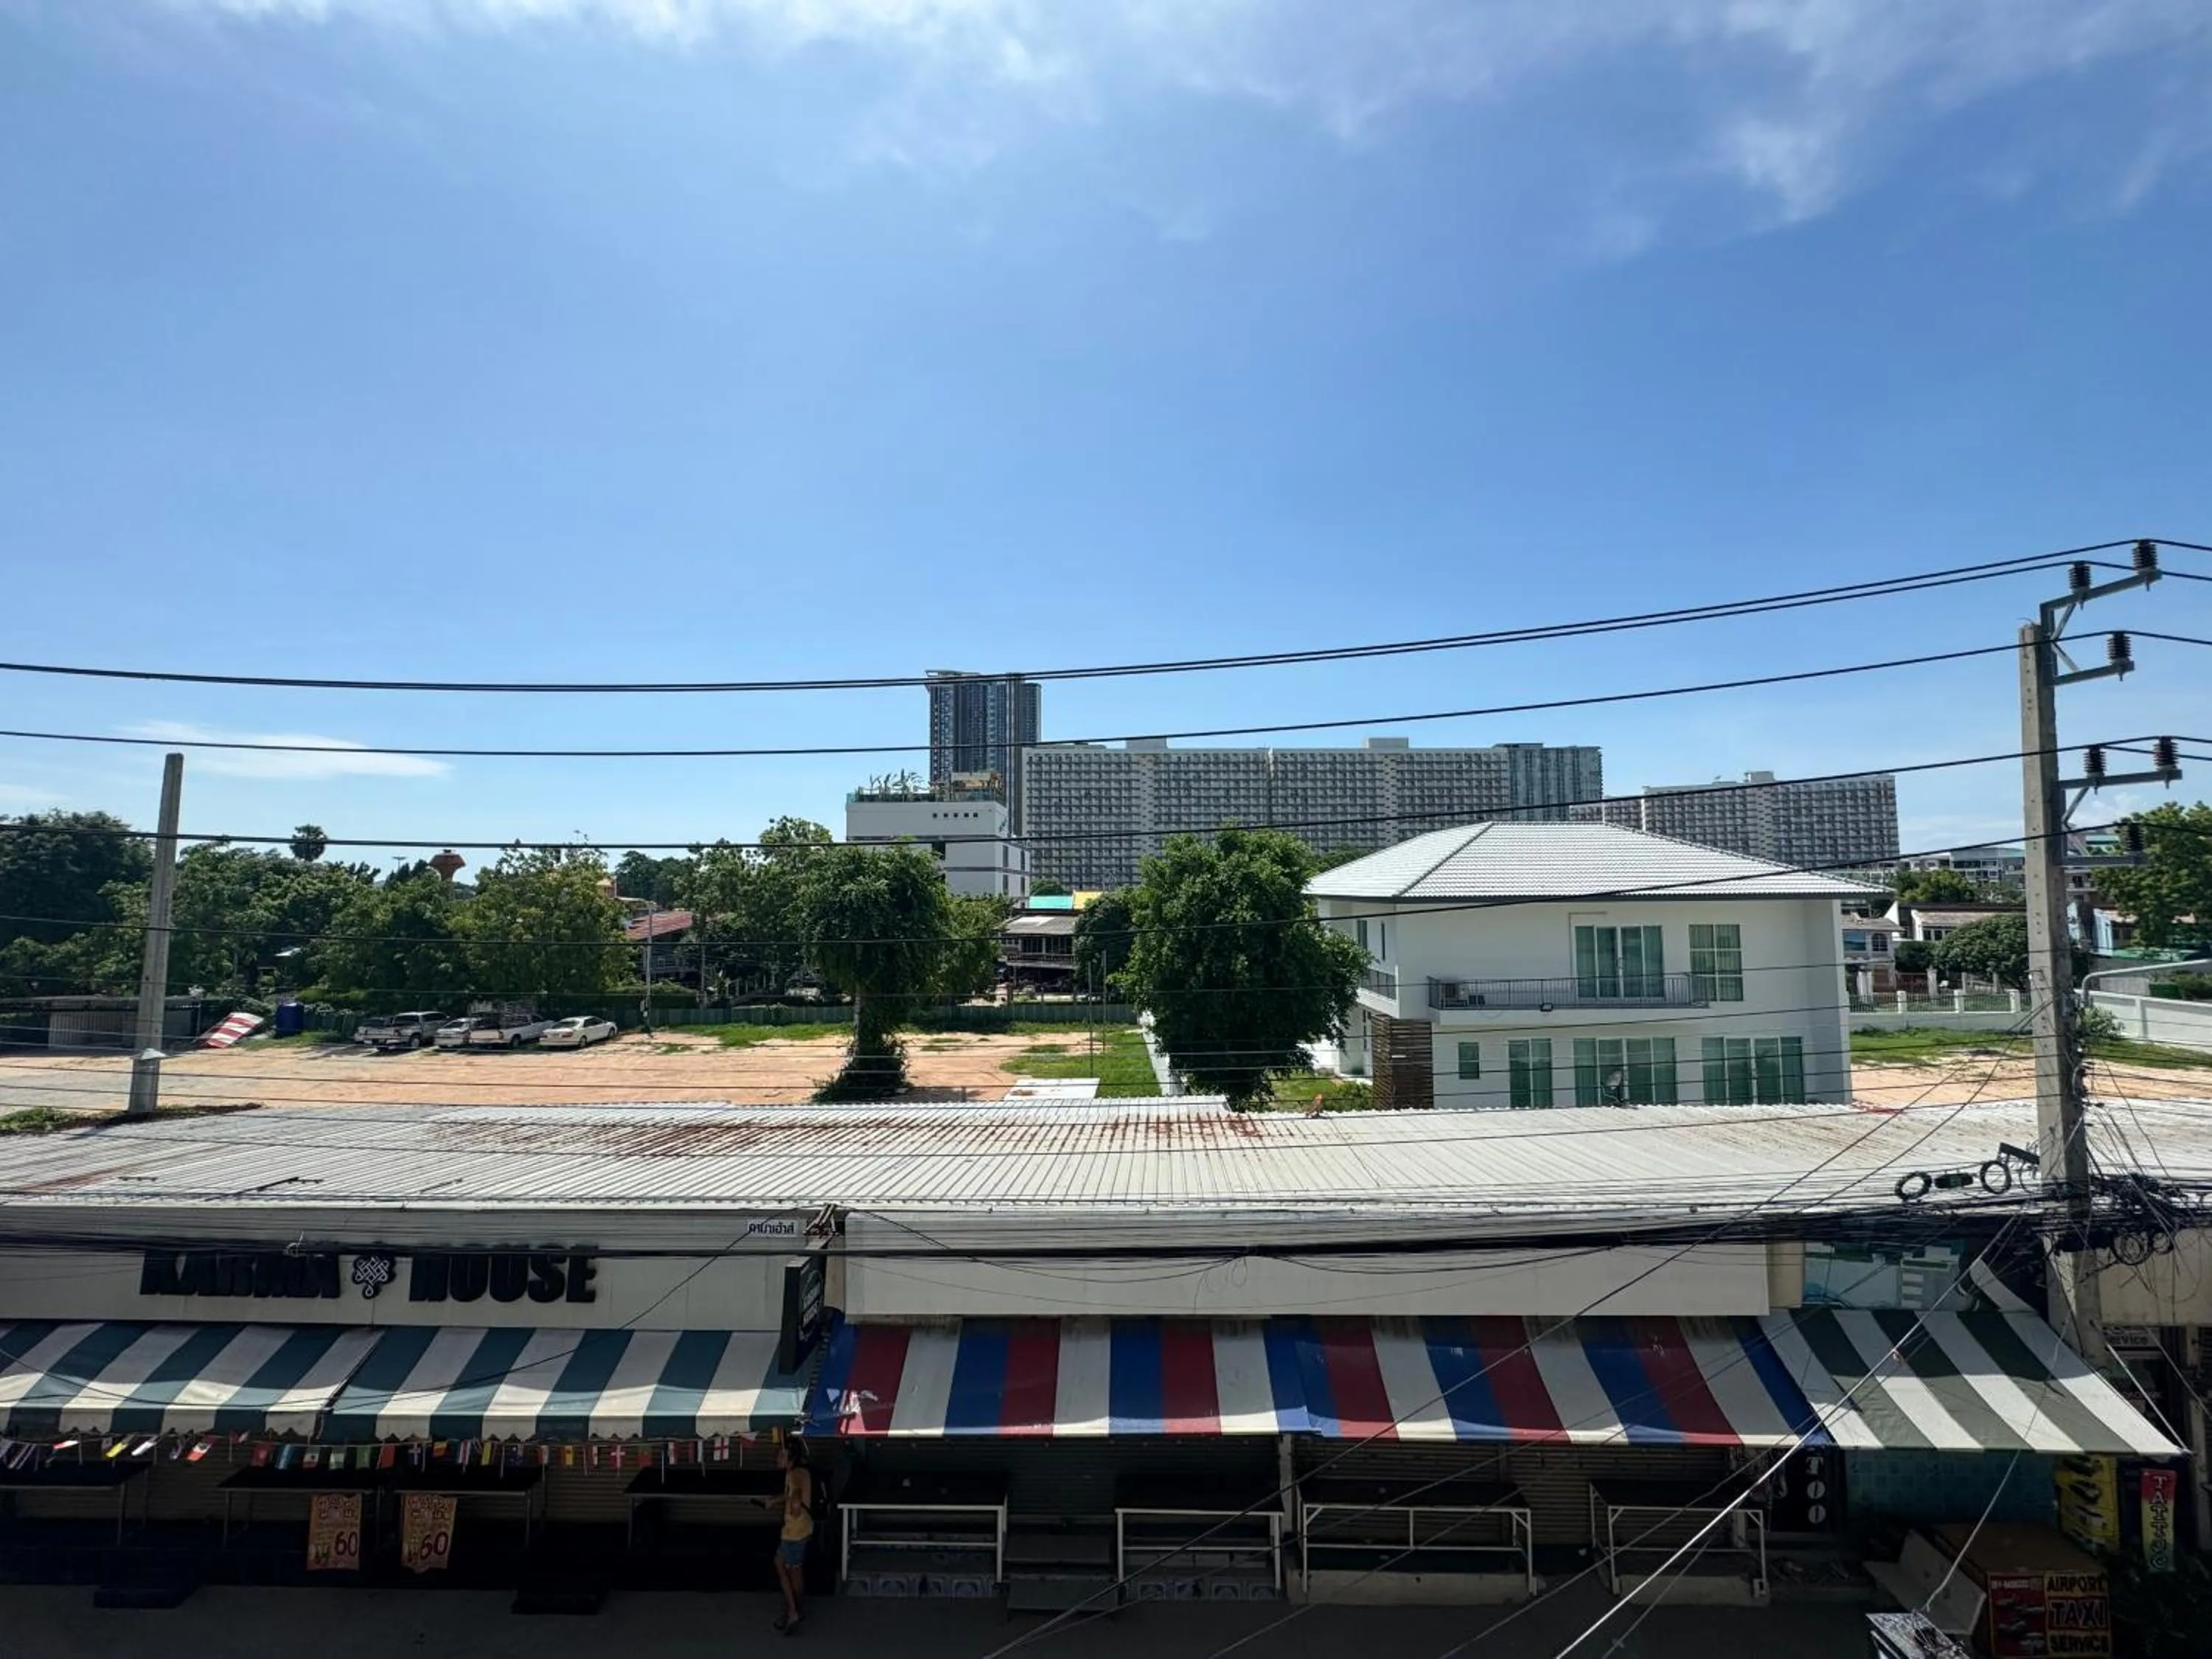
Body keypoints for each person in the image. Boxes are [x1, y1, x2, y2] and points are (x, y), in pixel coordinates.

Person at [771, 1439, 813, 1635]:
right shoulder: (801, 1472)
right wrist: (774, 1501)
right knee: (788, 1566)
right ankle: (796, 1608)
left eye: (782, 1454)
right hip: (803, 1529)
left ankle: (793, 1610)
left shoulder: (795, 1475)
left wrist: (794, 1511)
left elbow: (795, 1498)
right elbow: (791, 1495)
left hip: (793, 1532)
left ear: (790, 1458)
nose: (777, 1458)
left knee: (788, 1569)